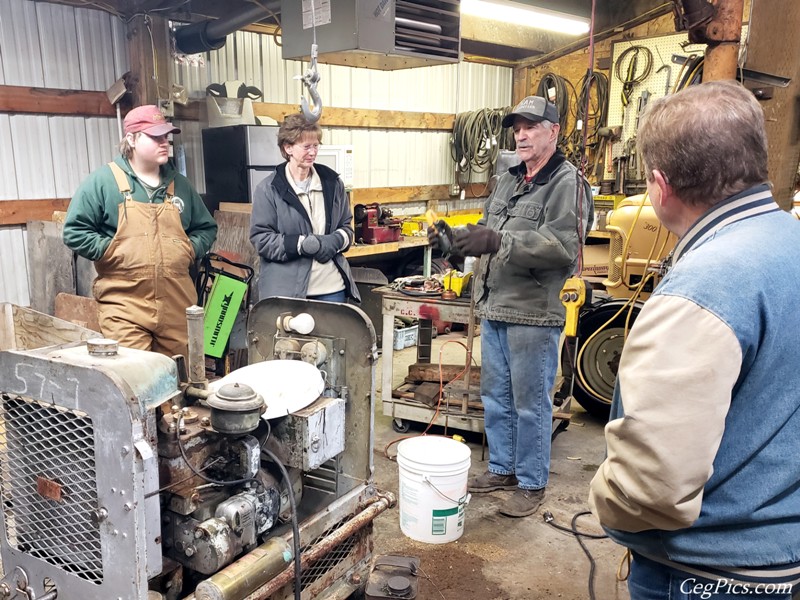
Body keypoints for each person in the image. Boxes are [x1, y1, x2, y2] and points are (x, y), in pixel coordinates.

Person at [589, 80, 800, 600]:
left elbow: (652, 485)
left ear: (659, 186)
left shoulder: (703, 289)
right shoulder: (789, 239)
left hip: (708, 571)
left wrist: (605, 498)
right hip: (781, 549)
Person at [430, 96, 592, 518]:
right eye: (517, 127)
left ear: (553, 132)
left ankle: (532, 481)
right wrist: (455, 242)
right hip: (496, 304)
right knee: (495, 397)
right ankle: (501, 468)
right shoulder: (508, 180)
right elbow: (488, 231)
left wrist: (501, 241)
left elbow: (563, 248)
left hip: (534, 313)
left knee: (530, 401)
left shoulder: (567, 183)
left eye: (531, 127)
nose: (520, 135)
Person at [63, 104, 217, 358]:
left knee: (181, 378)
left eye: (166, 136)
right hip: (124, 304)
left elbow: (206, 228)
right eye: (155, 136)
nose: (164, 142)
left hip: (177, 304)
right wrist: (112, 251)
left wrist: (188, 249)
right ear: (132, 139)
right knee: (135, 378)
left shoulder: (180, 185)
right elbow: (74, 231)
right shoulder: (103, 182)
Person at [249, 113, 360, 303]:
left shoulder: (332, 183)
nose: (313, 152)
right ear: (288, 147)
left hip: (331, 288)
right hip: (286, 291)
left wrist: (335, 240)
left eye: (316, 145)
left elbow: (347, 228)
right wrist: (300, 244)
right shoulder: (269, 189)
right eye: (306, 146)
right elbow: (261, 239)